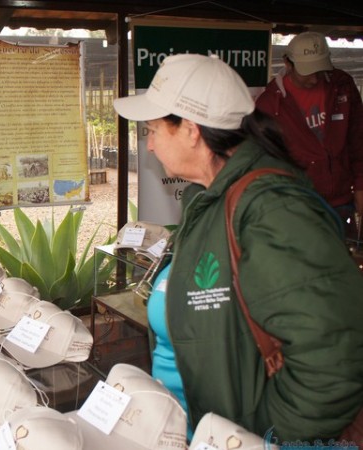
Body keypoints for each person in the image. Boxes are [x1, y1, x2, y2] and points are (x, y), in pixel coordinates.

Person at [113, 54, 363, 442]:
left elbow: (334, 357)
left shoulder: (273, 211)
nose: (149, 146)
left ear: (191, 130)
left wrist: (266, 430)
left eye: (153, 131)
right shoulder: (211, 199)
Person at [255, 31, 363, 233]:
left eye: (321, 70)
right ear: (288, 63)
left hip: (341, 201)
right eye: (308, 71)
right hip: (295, 204)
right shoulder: (270, 104)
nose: (315, 79)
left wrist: (360, 186)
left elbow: (358, 140)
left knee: (343, 259)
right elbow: (263, 160)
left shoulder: (342, 86)